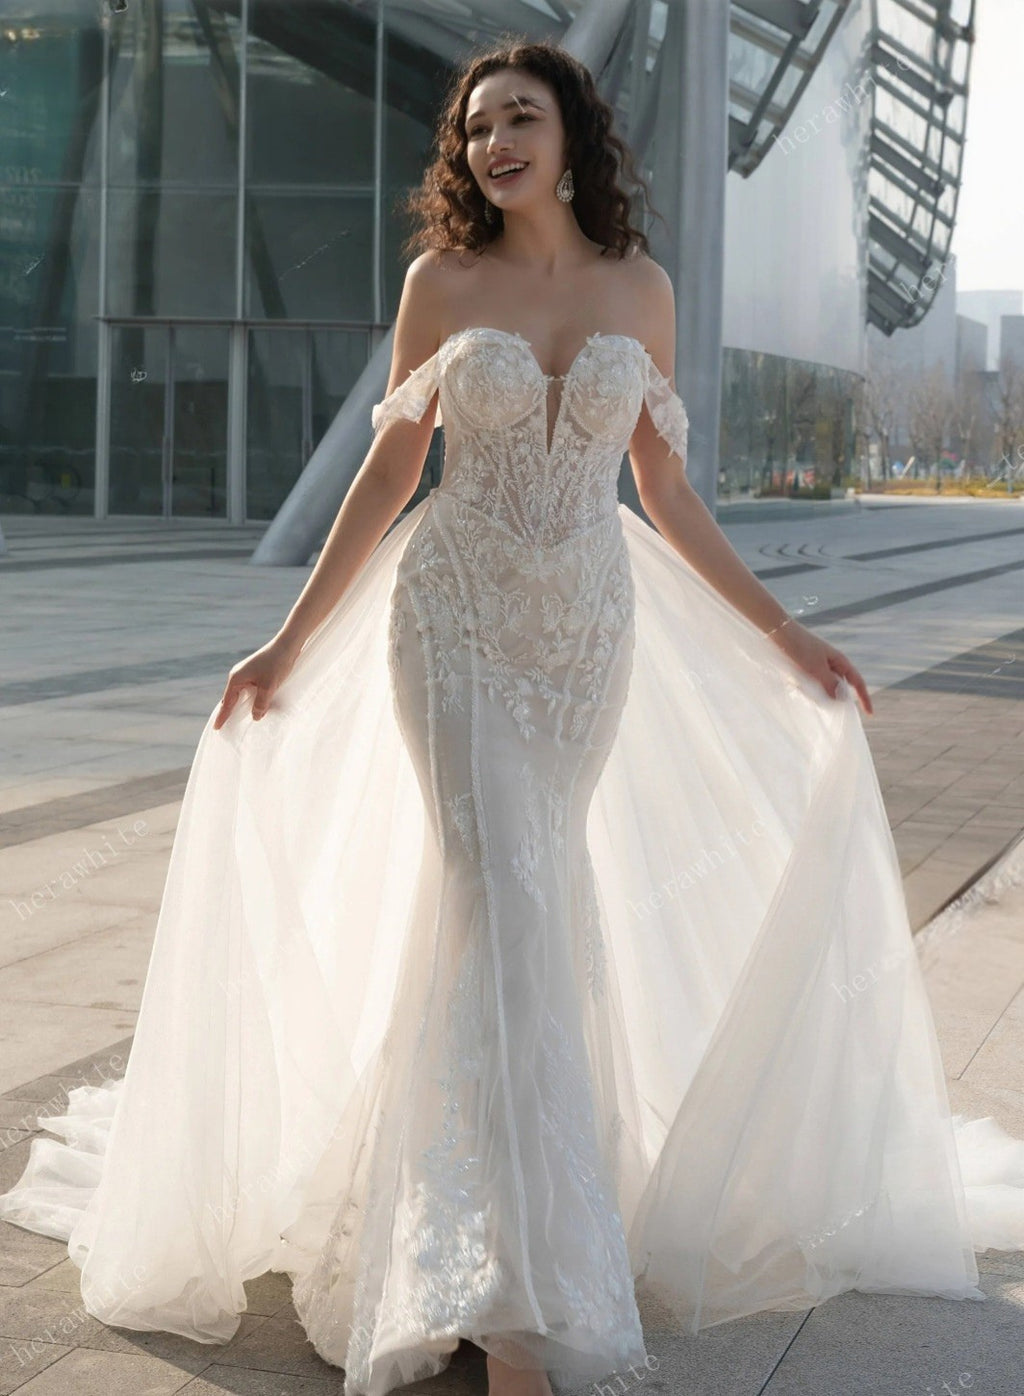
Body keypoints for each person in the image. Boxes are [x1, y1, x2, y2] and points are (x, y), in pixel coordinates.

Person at [3, 34, 1024, 1396]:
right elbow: (390, 469)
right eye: (476, 126)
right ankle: (508, 1292)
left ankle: (489, 1221)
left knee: (524, 914)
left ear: (571, 132)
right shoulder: (443, 281)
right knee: (505, 896)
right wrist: (290, 637)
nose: (493, 143)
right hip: (457, 621)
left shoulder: (640, 287)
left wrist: (785, 632)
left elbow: (661, 485)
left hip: (584, 634)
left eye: (519, 117)